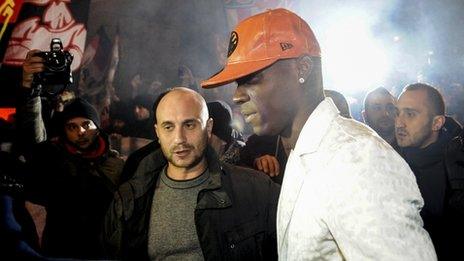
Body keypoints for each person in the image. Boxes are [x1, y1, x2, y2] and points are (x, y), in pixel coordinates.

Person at [202, 8, 436, 260]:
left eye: (251, 78)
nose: (237, 95)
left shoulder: (356, 160)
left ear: (302, 69)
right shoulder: (306, 150)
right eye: (238, 83)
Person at [103, 87, 280, 260]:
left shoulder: (255, 190)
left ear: (209, 127)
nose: (179, 138)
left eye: (189, 125)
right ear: (157, 132)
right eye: (168, 127)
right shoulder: (129, 200)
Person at [19, 49, 125, 259]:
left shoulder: (115, 165)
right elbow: (33, 137)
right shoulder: (54, 158)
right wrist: (29, 89)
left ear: (97, 126)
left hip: (104, 254)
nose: (81, 132)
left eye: (86, 124)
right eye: (72, 127)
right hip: (59, 251)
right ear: (65, 132)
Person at [395, 83, 463, 260]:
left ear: (437, 123)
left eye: (410, 114)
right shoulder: (389, 161)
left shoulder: (458, 165)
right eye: (398, 113)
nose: (399, 122)